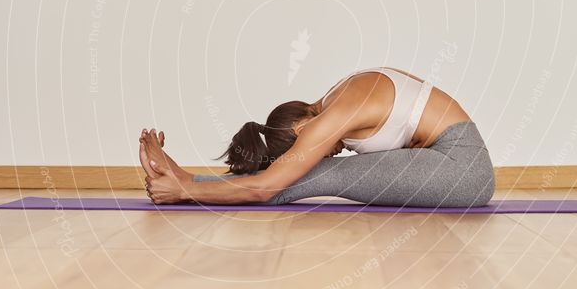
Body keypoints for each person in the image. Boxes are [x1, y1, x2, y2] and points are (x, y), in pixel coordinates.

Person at [138, 66, 495, 207]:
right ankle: (184, 178)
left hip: (463, 170)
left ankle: (184, 184)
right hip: (451, 163)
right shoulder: (343, 90)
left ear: (300, 129)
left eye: (313, 148)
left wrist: (187, 189)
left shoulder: (336, 113)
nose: (324, 151)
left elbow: (266, 187)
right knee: (302, 175)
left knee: (316, 176)